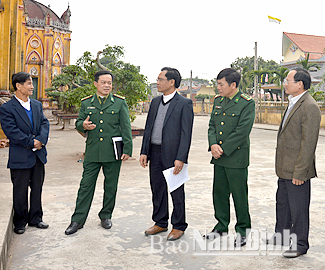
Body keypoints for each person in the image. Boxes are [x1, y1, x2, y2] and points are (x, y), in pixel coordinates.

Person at [65, 70, 132, 235]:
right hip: (93, 152)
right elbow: (79, 122)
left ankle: (106, 215)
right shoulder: (87, 103)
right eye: (104, 82)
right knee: (85, 186)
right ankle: (77, 220)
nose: (107, 85)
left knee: (111, 186)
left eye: (109, 83)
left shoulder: (119, 103)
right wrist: (83, 126)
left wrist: (128, 149)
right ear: (96, 83)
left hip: (112, 152)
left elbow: (126, 127)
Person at [271, 67, 321, 258]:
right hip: (285, 167)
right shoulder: (293, 102)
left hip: (297, 170)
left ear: (300, 84)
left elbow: (308, 143)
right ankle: (282, 236)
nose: (284, 83)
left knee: (298, 208)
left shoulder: (309, 106)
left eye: (288, 80)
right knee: (283, 204)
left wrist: (300, 172)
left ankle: (300, 244)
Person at [140, 67, 194, 241]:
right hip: (155, 152)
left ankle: (178, 226)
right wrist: (144, 152)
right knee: (157, 189)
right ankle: (160, 222)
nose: (157, 82)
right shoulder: (155, 102)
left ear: (171, 82)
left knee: (176, 190)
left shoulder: (184, 104)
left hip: (173, 155)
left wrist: (181, 158)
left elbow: (186, 134)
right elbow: (148, 128)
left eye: (160, 79)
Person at [204, 68, 255, 247]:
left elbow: (242, 131)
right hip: (218, 156)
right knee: (219, 193)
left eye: (221, 84)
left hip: (236, 157)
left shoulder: (246, 103)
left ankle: (243, 229)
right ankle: (221, 225)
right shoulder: (218, 101)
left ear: (233, 85)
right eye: (217, 84)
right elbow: (212, 125)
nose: (218, 88)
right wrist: (213, 145)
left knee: (239, 195)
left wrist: (223, 149)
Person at [0, 72, 50, 234]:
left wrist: (41, 140)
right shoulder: (7, 108)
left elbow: (44, 123)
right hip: (21, 155)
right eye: (28, 83)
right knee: (20, 189)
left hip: (38, 154)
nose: (32, 86)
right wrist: (31, 142)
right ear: (18, 86)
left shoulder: (36, 105)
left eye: (31, 83)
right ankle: (20, 222)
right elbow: (11, 131)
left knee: (37, 188)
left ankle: (36, 218)